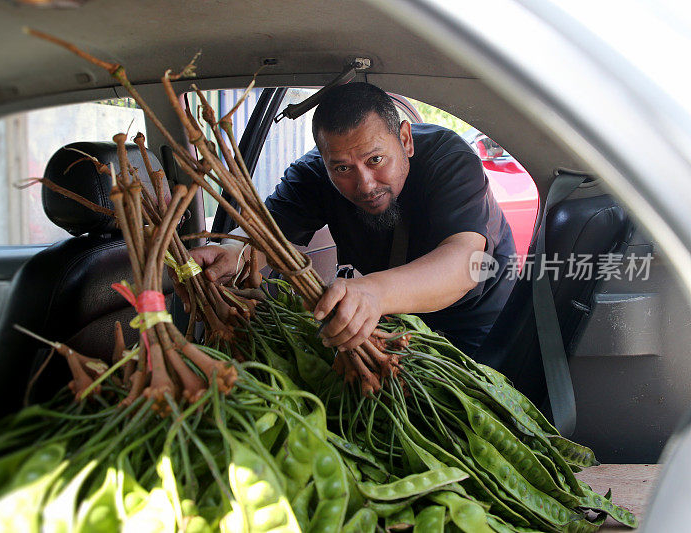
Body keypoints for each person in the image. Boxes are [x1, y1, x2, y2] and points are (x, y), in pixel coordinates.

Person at [186, 82, 516, 356]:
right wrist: (233, 253)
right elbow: (268, 235)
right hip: (390, 315)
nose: (365, 184)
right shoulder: (314, 173)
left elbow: (463, 264)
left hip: (473, 318)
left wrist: (373, 292)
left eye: (375, 159)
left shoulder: (450, 160)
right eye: (342, 168)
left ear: (404, 139)